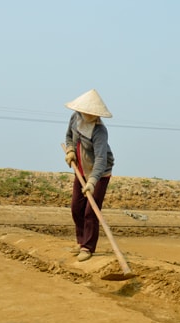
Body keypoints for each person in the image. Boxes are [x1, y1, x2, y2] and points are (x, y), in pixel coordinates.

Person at [64, 89, 115, 262]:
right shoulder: (75, 118)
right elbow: (69, 136)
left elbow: (101, 159)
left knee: (90, 212)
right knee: (76, 208)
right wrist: (70, 150)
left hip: (99, 174)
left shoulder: (100, 131)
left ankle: (88, 247)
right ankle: (80, 242)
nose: (90, 115)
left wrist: (92, 182)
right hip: (81, 169)